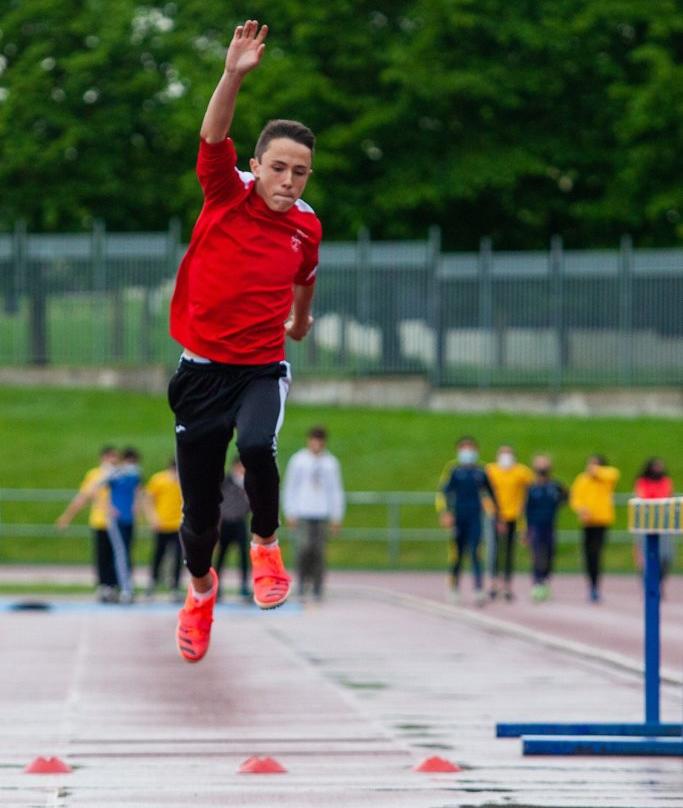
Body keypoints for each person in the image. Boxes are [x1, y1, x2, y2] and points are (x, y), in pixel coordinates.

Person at [167, 19, 322, 663]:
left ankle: (265, 546)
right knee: (200, 518)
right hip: (202, 372)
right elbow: (213, 134)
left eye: (302, 172)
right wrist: (231, 74)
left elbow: (306, 281)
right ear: (255, 167)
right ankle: (200, 593)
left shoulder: (308, 229)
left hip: (261, 367)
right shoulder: (224, 194)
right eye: (279, 168)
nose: (289, 181)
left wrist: (302, 320)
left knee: (258, 444)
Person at [283, 426, 345, 600]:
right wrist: (290, 511)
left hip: (321, 512)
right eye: (313, 440)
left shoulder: (331, 463)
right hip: (303, 511)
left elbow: (336, 490)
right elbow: (291, 487)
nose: (316, 444)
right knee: (303, 548)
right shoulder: (299, 460)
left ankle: (318, 585)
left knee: (319, 551)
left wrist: (336, 516)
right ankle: (302, 582)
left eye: (320, 441)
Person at [436, 436, 498, 606]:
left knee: (476, 553)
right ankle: (453, 587)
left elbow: (492, 494)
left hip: (475, 518)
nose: (468, 452)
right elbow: (443, 493)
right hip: (458, 517)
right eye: (464, 448)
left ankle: (478, 589)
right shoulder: (454, 470)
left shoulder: (481, 471)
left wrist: (496, 515)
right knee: (457, 554)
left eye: (471, 448)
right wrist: (445, 513)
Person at [56, 446, 120, 602]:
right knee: (102, 556)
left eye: (115, 457)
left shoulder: (120, 475)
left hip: (119, 523)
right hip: (100, 521)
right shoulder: (95, 475)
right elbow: (83, 497)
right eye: (110, 457)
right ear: (103, 458)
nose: (113, 460)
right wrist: (67, 517)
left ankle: (116, 585)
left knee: (118, 556)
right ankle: (104, 586)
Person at [485, 445, 534, 601]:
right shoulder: (490, 470)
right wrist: (493, 512)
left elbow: (531, 486)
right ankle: (493, 584)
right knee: (494, 550)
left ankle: (507, 585)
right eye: (503, 453)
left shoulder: (521, 471)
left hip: (513, 515)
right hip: (495, 515)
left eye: (509, 454)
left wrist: (523, 505)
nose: (506, 457)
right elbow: (484, 492)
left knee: (509, 552)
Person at [570, 455, 620, 603]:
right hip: (587, 522)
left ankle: (596, 585)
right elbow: (575, 497)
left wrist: (597, 471)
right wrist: (581, 509)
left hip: (602, 521)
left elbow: (613, 474)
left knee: (597, 553)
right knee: (588, 554)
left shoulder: (606, 477)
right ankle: (591, 585)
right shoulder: (583, 479)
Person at [524, 454, 567, 602]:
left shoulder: (555, 486)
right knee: (537, 554)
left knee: (549, 554)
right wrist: (526, 530)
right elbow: (526, 509)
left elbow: (565, 497)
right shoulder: (531, 488)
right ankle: (537, 583)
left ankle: (546, 580)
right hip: (535, 526)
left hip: (550, 525)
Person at [103, 447, 143, 604]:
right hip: (117, 520)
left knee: (127, 553)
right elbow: (96, 491)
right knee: (120, 553)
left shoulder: (135, 476)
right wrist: (108, 508)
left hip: (129, 519)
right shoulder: (115, 476)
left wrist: (137, 507)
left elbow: (139, 493)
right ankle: (124, 588)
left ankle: (125, 585)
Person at [633, 458, 675, 597]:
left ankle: (659, 582)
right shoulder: (642, 481)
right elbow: (642, 496)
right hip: (645, 524)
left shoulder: (665, 481)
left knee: (666, 557)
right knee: (644, 558)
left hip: (663, 524)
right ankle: (648, 585)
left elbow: (667, 496)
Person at [144, 459, 183, 601]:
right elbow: (148, 499)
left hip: (178, 525)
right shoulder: (159, 480)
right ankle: (153, 582)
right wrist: (152, 518)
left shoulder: (183, 481)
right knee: (158, 555)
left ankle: (175, 586)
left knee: (178, 557)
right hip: (162, 524)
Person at [214, 456, 251, 600]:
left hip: (240, 521)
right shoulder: (225, 481)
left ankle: (244, 586)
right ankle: (216, 586)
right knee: (221, 556)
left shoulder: (247, 483)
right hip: (225, 522)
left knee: (243, 556)